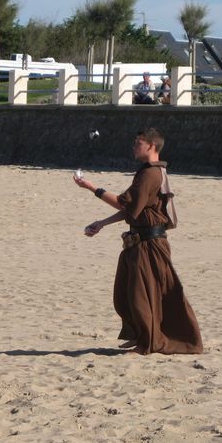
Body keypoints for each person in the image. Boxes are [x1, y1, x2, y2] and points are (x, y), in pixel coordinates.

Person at [73, 128, 203, 355]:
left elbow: (123, 203)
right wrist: (102, 223)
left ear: (151, 146)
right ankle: (143, 337)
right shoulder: (148, 172)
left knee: (141, 297)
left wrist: (93, 188)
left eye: (138, 143)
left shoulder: (150, 174)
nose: (134, 146)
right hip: (140, 242)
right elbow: (133, 209)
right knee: (127, 294)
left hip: (150, 245)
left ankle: (149, 342)